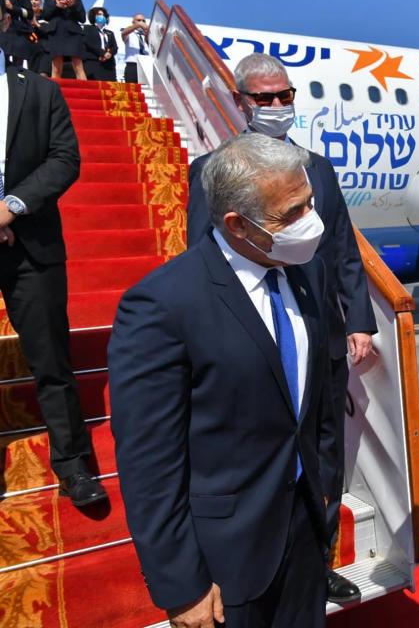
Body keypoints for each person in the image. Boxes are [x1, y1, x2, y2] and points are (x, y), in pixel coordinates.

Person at [110, 133, 334, 628]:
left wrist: (325, 484)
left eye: (308, 203)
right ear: (237, 224)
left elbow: (321, 396)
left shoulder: (307, 272)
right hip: (224, 560)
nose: (309, 222)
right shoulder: (163, 304)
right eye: (290, 214)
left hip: (304, 534)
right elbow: (149, 460)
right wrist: (181, 582)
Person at [185, 52, 377, 605]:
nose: (276, 106)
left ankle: (318, 565)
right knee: (264, 454)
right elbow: (204, 256)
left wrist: (358, 322)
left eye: (284, 95)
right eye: (263, 98)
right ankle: (260, 571)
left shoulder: (316, 166)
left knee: (325, 456)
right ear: (241, 102)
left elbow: (343, 249)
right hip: (258, 339)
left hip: (320, 333)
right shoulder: (214, 169)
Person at [0, 54, 104, 507]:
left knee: (51, 359)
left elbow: (65, 159)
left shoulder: (41, 90)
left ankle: (73, 465)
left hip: (31, 244)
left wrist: (11, 207)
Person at [40, 0, 85, 80]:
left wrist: (72, 6)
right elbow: (45, 16)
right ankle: (54, 92)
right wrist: (57, 6)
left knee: (78, 66)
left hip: (73, 34)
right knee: (56, 67)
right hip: (56, 33)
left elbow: (82, 18)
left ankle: (85, 92)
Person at [0, 0, 37, 68]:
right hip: (2, 31)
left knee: (18, 68)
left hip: (18, 33)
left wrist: (12, 7)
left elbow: (30, 14)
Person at [81, 3, 115, 81]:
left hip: (108, 64)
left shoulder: (110, 33)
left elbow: (114, 47)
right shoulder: (87, 29)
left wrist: (109, 54)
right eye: (99, 14)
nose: (101, 16)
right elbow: (89, 43)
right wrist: (102, 53)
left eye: (103, 15)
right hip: (93, 61)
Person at [120, 12, 148, 84]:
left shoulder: (146, 34)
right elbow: (124, 33)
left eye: (143, 21)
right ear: (133, 22)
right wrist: (137, 25)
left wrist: (147, 34)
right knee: (131, 90)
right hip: (133, 65)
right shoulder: (130, 33)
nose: (141, 22)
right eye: (138, 20)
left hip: (146, 66)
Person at [28, 0, 51, 76]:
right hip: (30, 54)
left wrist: (37, 24)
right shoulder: (23, 17)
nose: (33, 2)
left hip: (44, 52)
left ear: (40, 2)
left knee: (43, 78)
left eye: (36, 0)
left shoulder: (47, 17)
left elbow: (50, 32)